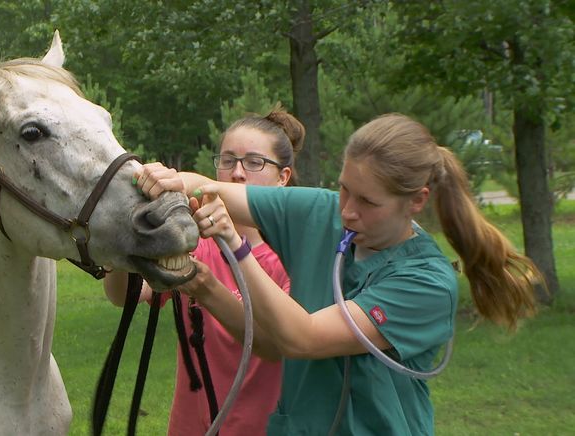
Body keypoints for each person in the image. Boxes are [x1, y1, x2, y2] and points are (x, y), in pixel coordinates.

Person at [133, 113, 543, 435]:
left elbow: (302, 338)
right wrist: (169, 179)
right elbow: (211, 187)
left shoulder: (426, 282)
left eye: (368, 201)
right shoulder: (321, 211)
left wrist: (238, 249)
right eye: (345, 188)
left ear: (417, 201)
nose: (346, 211)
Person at [103, 104, 304, 436]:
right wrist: (121, 240)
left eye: (254, 163)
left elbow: (273, 345)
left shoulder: (292, 257)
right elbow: (123, 295)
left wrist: (205, 288)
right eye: (228, 161)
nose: (238, 173)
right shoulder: (196, 244)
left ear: (283, 177)